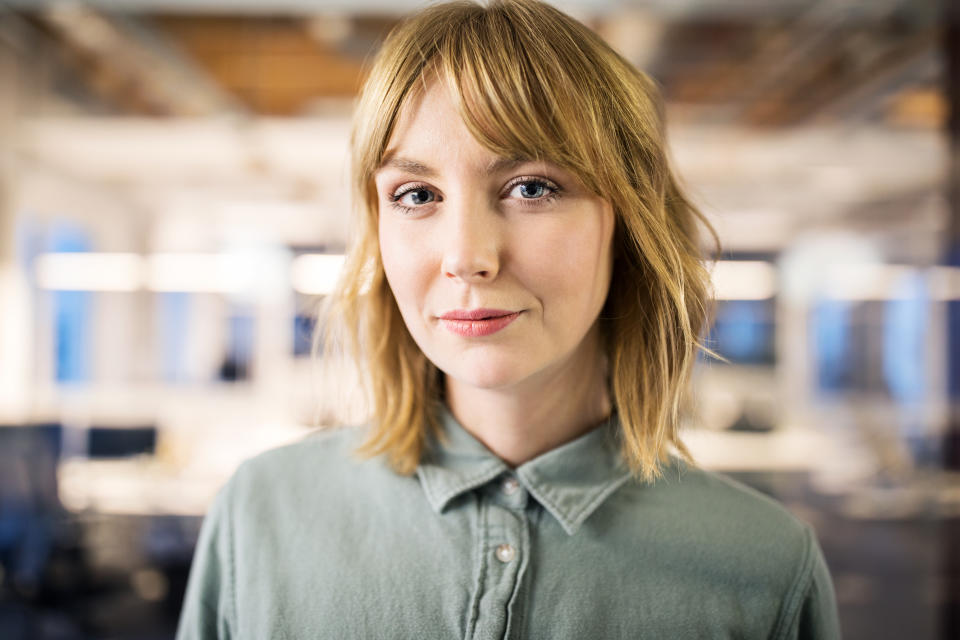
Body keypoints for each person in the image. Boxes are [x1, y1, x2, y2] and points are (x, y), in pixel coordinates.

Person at [176, 1, 841, 638]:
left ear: (628, 225)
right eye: (417, 195)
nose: (467, 258)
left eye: (532, 188)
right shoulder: (261, 514)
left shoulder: (763, 571)